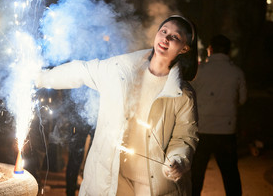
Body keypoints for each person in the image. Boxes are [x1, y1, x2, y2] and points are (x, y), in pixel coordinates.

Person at [36, 15, 199, 195]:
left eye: (175, 37)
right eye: (164, 31)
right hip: (111, 178)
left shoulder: (183, 95)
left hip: (153, 185)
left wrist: (179, 160)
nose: (166, 39)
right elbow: (80, 71)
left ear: (185, 48)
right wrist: (40, 78)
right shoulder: (120, 69)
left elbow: (184, 137)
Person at [191, 34, 247, 196]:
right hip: (226, 131)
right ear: (228, 51)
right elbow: (242, 99)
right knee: (230, 174)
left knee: (196, 174)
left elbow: (189, 96)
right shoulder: (237, 72)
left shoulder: (199, 71)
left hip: (202, 130)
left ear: (210, 50)